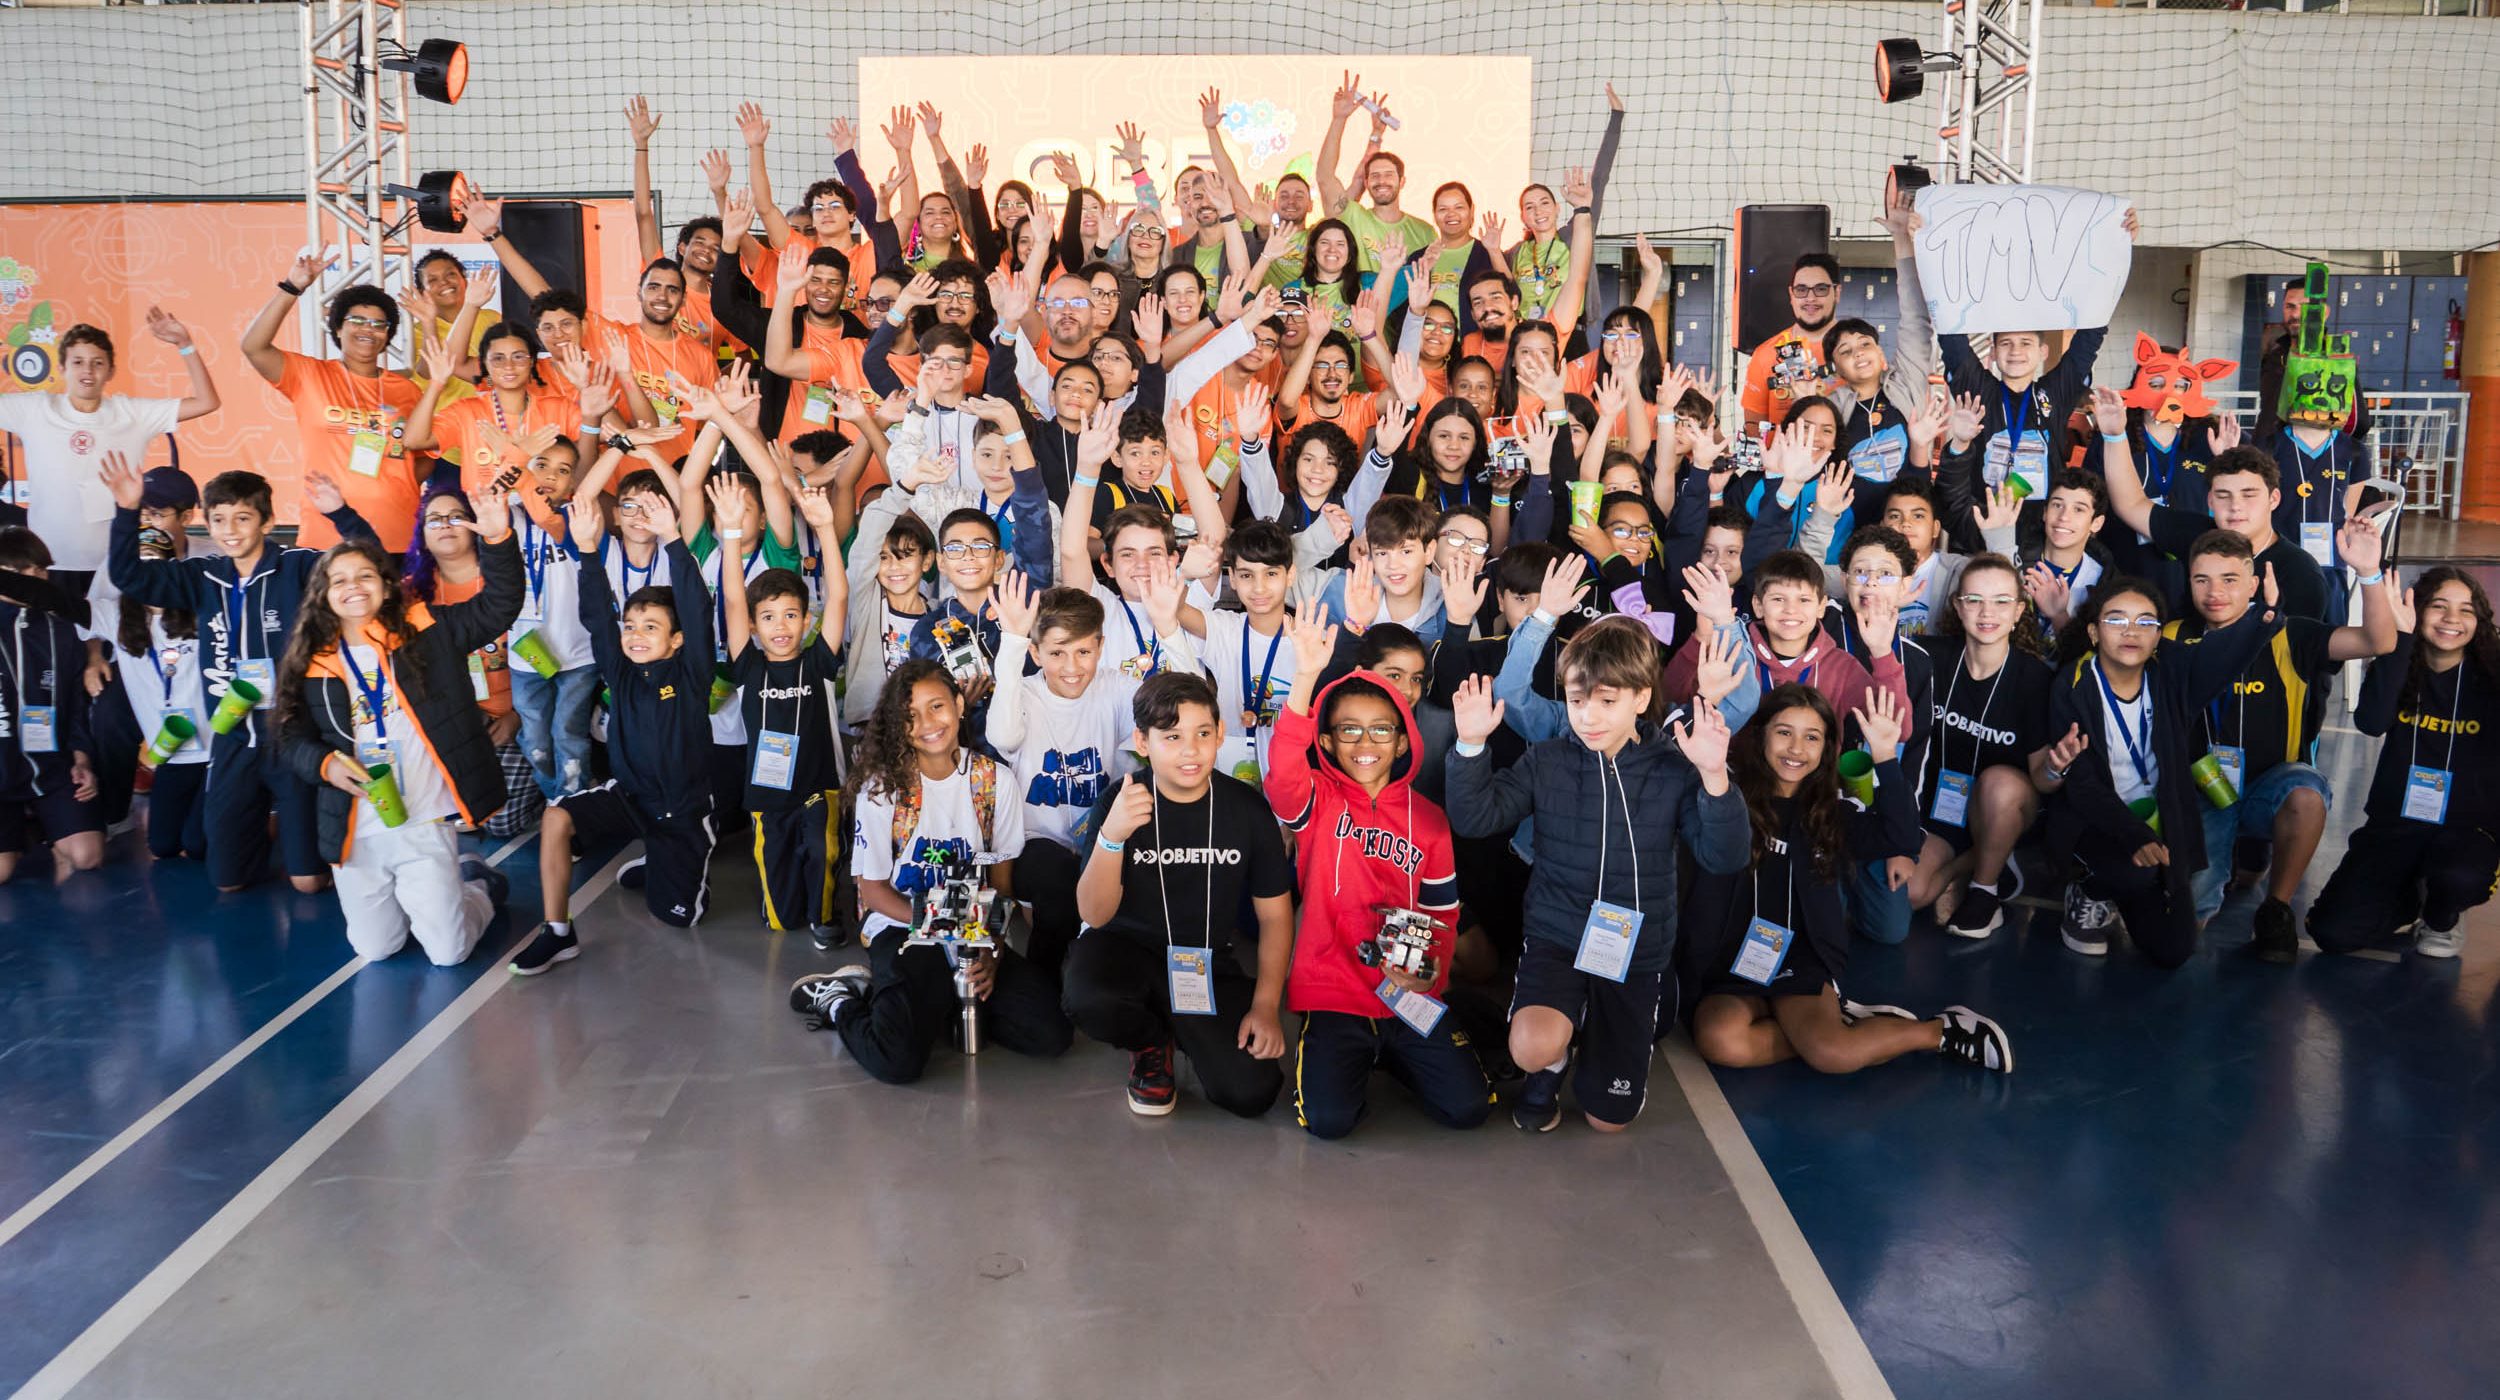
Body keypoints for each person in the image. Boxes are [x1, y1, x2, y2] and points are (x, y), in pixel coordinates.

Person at [1447, 621, 1750, 1134]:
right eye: (1576, 700)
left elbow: (1724, 856)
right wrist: (1471, 744)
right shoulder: (1547, 760)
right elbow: (1476, 818)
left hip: (1637, 950)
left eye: (1606, 701)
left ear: (1640, 698)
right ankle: (1554, 1060)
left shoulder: (1677, 766)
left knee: (1608, 1121)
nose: (1588, 717)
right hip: (1557, 937)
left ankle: (1594, 1035)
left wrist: (1715, 777)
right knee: (1529, 1047)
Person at [1687, 684, 2014, 1075]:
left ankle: (1939, 1031)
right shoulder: (1727, 794)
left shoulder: (1832, 812)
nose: (1796, 748)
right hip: (1734, 965)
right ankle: (1845, 1025)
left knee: (1833, 1056)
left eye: (1812, 737)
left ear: (1827, 750)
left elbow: (1903, 837)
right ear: (1760, 736)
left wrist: (1884, 758)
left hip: (1799, 961)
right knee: (1720, 1040)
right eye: (1784, 732)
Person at [787, 659, 1074, 1082]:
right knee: (897, 1062)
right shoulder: (883, 789)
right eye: (909, 716)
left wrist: (991, 946)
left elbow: (1002, 882)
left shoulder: (994, 781)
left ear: (960, 705)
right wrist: (938, 925)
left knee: (1051, 1034)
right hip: (904, 926)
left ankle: (929, 1003)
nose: (926, 724)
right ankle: (842, 998)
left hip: (971, 929)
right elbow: (874, 890)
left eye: (936, 706)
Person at [1265, 603, 1489, 1139]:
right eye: (1350, 731)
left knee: (1469, 1109)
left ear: (1405, 739)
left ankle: (1400, 1051)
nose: (1366, 744)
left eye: (1381, 731)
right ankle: (1356, 1056)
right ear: (1326, 741)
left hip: (1407, 994)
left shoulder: (1430, 822)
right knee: (1328, 1122)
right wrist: (1304, 678)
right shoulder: (1315, 800)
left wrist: (1430, 974)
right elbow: (1282, 771)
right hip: (1333, 990)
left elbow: (1443, 913)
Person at [104, 456, 374, 893]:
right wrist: (126, 511)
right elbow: (129, 576)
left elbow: (369, 564)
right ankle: (261, 829)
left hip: (293, 738)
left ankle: (300, 835)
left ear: (267, 522)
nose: (230, 530)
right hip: (230, 738)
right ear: (207, 524)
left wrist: (340, 514)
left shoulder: (299, 567)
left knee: (307, 883)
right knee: (227, 883)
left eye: (243, 518)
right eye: (219, 519)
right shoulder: (203, 576)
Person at [276, 492, 522, 965]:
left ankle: (478, 887)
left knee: (448, 954)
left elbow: (499, 606)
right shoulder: (311, 659)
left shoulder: (426, 628)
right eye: (339, 580)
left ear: (386, 586)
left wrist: (497, 538)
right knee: (377, 948)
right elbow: (289, 735)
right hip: (356, 827)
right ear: (323, 594)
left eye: (366, 576)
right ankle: (430, 900)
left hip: (424, 819)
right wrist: (326, 765)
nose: (354, 587)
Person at [1061, 671, 1297, 1118]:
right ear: (1143, 742)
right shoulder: (1120, 801)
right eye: (1172, 737)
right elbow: (1093, 912)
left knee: (1251, 1093)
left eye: (1202, 733)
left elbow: (1275, 917)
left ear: (1220, 733)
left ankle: (1182, 1026)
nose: (1190, 750)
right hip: (1124, 949)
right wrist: (1113, 837)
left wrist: (1267, 1007)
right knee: (1088, 996)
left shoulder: (1247, 810)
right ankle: (1151, 1041)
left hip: (1203, 961)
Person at [2165, 519, 2394, 959]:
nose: (2216, 591)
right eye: (2202, 579)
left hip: (2266, 789)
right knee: (2182, 929)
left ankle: (2276, 908)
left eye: (2230, 579)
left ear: (2254, 583)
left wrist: (2368, 573)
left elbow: (2378, 641)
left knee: (2307, 793)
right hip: (2200, 792)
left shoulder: (2293, 633)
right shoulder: (2174, 636)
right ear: (2189, 583)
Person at [516, 489, 715, 973]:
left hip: (681, 814)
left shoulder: (692, 673)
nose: (635, 635)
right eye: (631, 626)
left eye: (650, 627)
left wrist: (672, 538)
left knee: (679, 919)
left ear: (677, 639)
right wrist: (587, 552)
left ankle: (666, 863)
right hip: (630, 797)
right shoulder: (621, 672)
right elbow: (598, 619)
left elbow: (696, 608)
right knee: (557, 817)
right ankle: (557, 931)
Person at [2046, 572, 2271, 967]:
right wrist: (2135, 835)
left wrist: (2265, 616)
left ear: (2157, 638)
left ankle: (2130, 884)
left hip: (2159, 819)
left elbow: (2221, 656)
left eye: (2145, 622)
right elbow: (2082, 786)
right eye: (2116, 620)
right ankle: (2090, 890)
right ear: (2094, 632)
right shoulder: (2073, 685)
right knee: (2135, 873)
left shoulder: (2169, 674)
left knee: (2174, 950)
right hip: (2096, 823)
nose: (2130, 631)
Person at [986, 571, 1195, 977]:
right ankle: (1046, 985)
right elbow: (1002, 735)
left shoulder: (1116, 688)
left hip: (1106, 835)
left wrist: (1169, 630)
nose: (1071, 667)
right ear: (1036, 653)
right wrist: (1011, 644)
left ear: (1101, 645)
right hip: (1037, 842)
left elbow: (1184, 704)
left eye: (1084, 652)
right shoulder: (1023, 693)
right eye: (1057, 653)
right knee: (1059, 883)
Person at [0, 467, 209, 862]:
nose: (149, 581)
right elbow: (50, 598)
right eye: (139, 572)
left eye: (159, 572)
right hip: (173, 746)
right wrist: (94, 659)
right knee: (164, 844)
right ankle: (114, 812)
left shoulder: (206, 593)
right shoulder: (115, 614)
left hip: (215, 744)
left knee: (200, 844)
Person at [2307, 567, 2499, 960]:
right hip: (2397, 824)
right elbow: (2371, 722)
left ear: (2478, 622)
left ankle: (2441, 913)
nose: (2451, 619)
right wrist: (2403, 639)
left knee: (2458, 878)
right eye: (2439, 606)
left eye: (2466, 610)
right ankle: (2411, 896)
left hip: (2467, 830)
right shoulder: (2402, 665)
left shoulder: (2492, 676)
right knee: (2333, 933)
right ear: (2417, 611)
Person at [1900, 554, 2070, 939]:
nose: (1986, 612)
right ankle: (1986, 856)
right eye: (1974, 600)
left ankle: (1985, 889)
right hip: (1936, 808)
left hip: (2004, 805)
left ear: (2018, 612)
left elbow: (2042, 783)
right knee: (1912, 894)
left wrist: (2057, 767)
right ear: (1958, 607)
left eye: (2000, 601)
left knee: (1999, 783)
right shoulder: (1928, 657)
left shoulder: (2033, 679)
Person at [715, 480, 849, 943]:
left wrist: (826, 528)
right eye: (768, 617)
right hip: (767, 796)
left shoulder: (818, 661)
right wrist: (731, 534)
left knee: (822, 850)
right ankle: (795, 910)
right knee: (779, 917)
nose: (780, 626)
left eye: (791, 615)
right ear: (753, 625)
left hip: (817, 788)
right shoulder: (748, 666)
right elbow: (733, 599)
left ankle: (825, 918)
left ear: (806, 621)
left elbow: (839, 597)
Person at [0, 310, 218, 593]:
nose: (87, 371)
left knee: (118, 637)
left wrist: (184, 344)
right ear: (62, 368)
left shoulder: (132, 413)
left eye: (97, 363)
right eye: (78, 362)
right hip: (48, 565)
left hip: (116, 565)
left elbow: (206, 401)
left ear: (111, 370)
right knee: (59, 638)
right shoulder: (35, 409)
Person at [2094, 392, 2331, 623]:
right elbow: (2131, 504)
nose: (2235, 506)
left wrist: (2369, 575)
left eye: (2249, 495)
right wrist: (2115, 436)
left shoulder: (2300, 573)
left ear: (2274, 499)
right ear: (2209, 501)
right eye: (2223, 495)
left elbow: (2304, 653)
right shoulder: (2200, 535)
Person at [239, 254, 423, 551]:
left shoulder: (406, 390)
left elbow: (424, 455)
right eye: (357, 321)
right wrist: (291, 288)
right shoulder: (309, 375)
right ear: (338, 328)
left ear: (387, 335)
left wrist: (392, 482)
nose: (368, 329)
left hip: (397, 531)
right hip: (326, 532)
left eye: (379, 324)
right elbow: (254, 347)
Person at [402, 481, 538, 842]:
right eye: (434, 519)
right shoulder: (408, 595)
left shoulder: (507, 577)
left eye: (456, 517)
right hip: (453, 722)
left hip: (516, 716)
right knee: (444, 812)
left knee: (498, 822)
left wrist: (517, 717)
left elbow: (548, 658)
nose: (445, 524)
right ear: (422, 534)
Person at [0, 527, 103, 881]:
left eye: (39, 571)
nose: (33, 581)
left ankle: (49, 833)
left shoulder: (62, 629)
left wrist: (81, 759)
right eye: (20, 573)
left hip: (49, 768)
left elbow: (76, 707)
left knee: (87, 856)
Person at [1315, 73, 1432, 276]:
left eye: (1389, 174)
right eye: (1375, 176)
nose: (1382, 181)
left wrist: (1377, 134)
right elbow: (1325, 177)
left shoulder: (1424, 232)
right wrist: (1339, 119)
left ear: (1402, 181)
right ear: (1366, 183)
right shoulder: (1353, 216)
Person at [1740, 254, 1841, 435]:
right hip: (1783, 461)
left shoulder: (1859, 351)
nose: (1810, 298)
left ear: (1837, 293)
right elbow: (1754, 429)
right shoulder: (1766, 354)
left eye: (1821, 289)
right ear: (1791, 295)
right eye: (1801, 290)